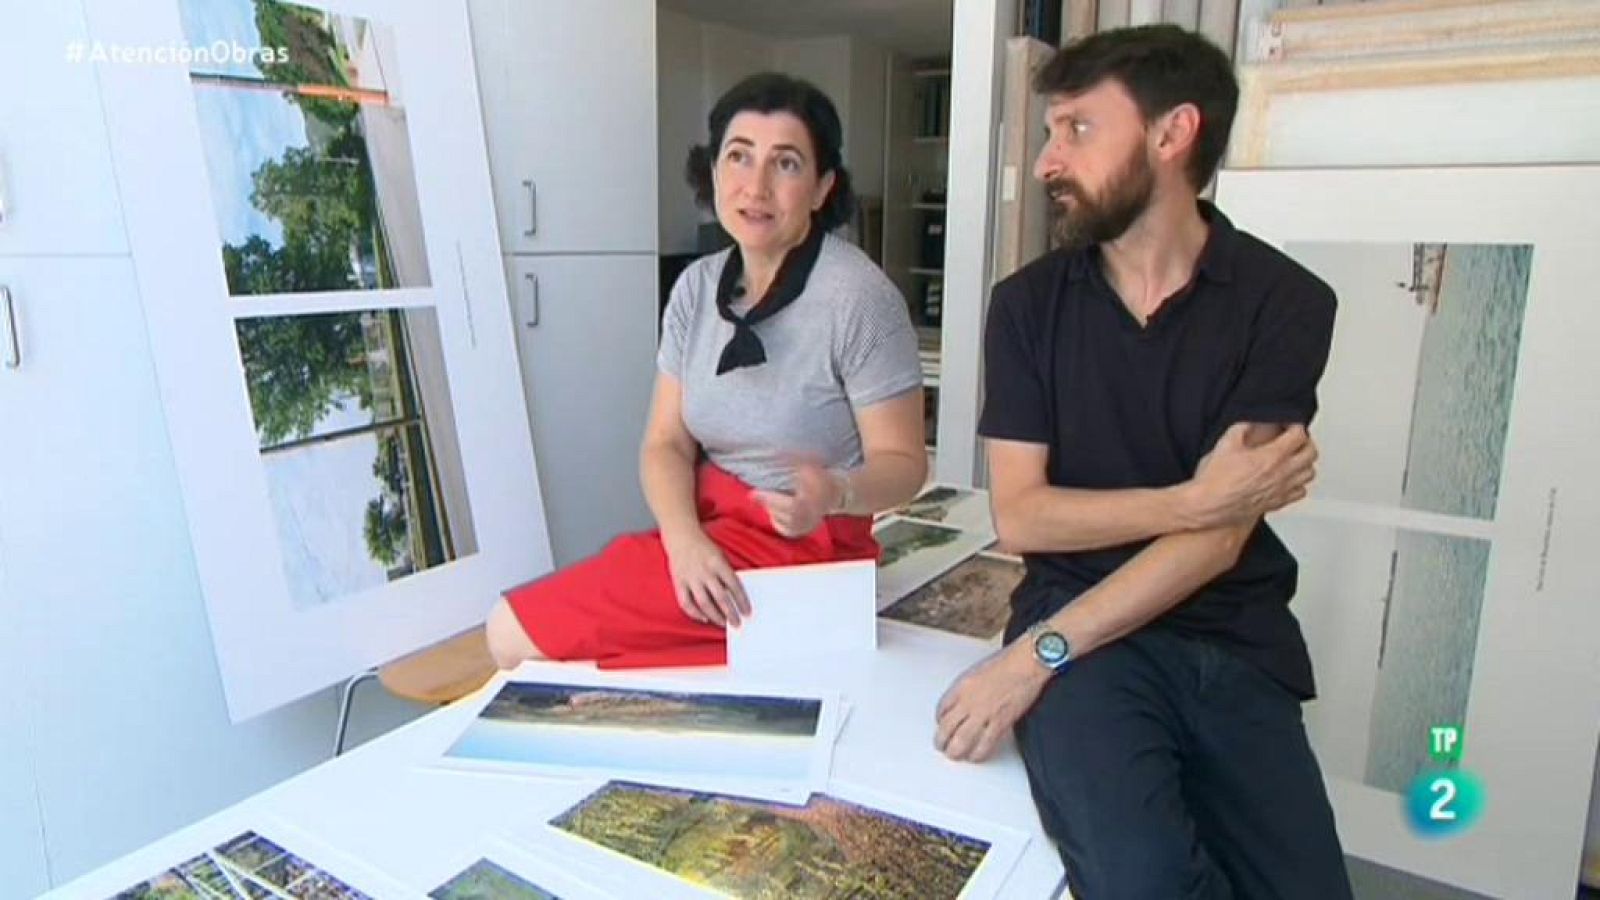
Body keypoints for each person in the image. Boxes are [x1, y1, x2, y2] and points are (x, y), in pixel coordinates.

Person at [932, 25, 1353, 899]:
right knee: (1144, 881)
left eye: (1077, 129)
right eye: (1051, 132)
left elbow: (1219, 544)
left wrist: (1031, 657)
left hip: (1232, 636)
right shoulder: (1027, 309)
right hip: (1081, 633)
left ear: (1172, 134)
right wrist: (1198, 498)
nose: (1050, 160)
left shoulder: (1288, 304)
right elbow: (1024, 516)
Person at [485, 73, 926, 671]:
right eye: (738, 157)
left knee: (510, 634)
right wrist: (683, 541)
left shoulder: (859, 298)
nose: (757, 185)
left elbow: (904, 467)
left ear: (823, 188)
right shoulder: (696, 287)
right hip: (710, 534)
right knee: (561, 652)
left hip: (807, 558)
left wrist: (836, 492)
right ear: (714, 172)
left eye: (787, 164)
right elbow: (665, 443)